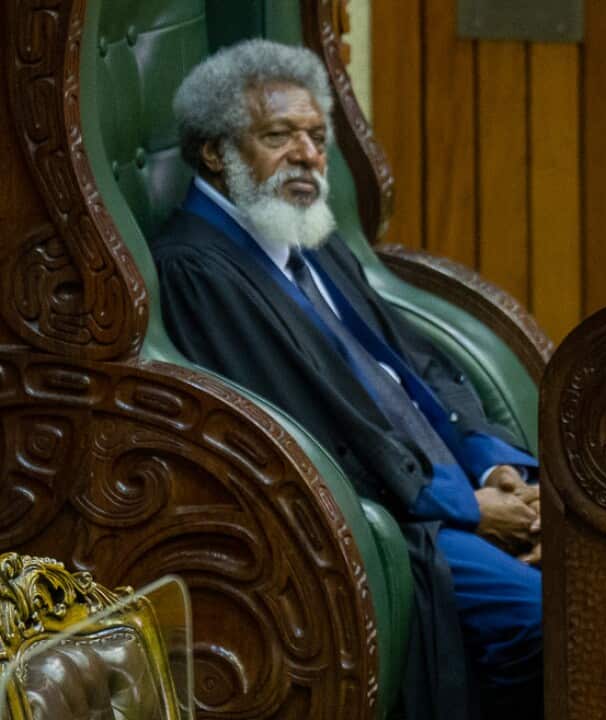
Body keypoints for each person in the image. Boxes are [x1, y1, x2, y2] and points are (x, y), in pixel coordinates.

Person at [150, 39, 541, 720]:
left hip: (447, 484)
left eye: (316, 135)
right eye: (279, 136)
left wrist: (496, 465)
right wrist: (467, 509)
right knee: (545, 614)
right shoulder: (199, 271)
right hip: (384, 520)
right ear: (215, 153)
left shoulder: (311, 234)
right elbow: (311, 429)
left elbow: (414, 362)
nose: (307, 155)